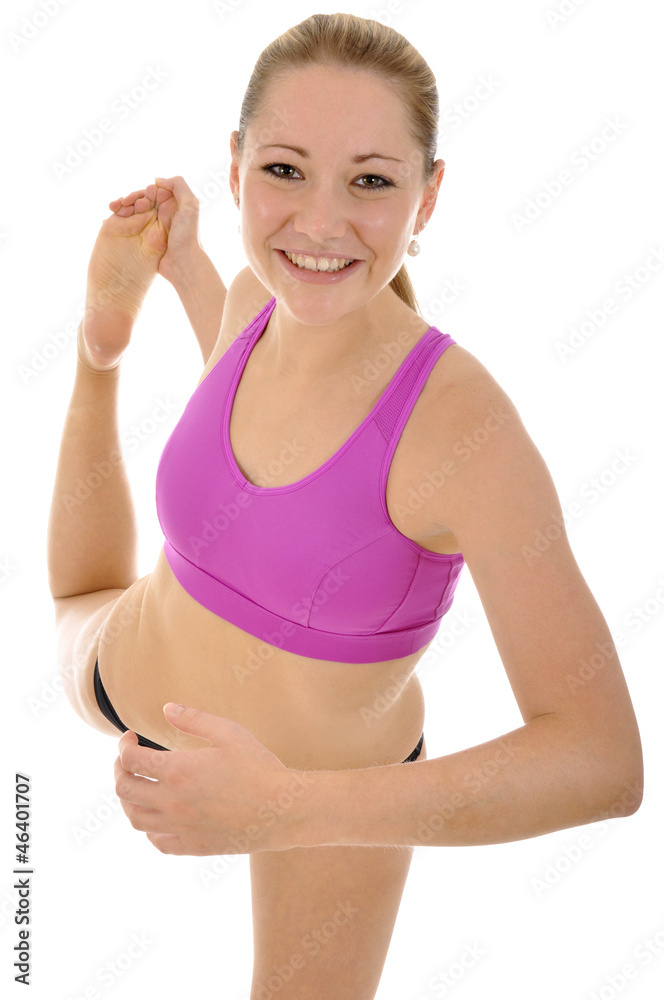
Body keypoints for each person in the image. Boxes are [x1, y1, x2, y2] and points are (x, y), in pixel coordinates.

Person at [47, 12, 643, 999]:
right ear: (234, 169)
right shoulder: (253, 302)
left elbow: (603, 763)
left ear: (428, 196)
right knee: (73, 601)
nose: (321, 224)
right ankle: (96, 354)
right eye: (284, 171)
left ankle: (100, 353)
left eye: (370, 181)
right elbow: (265, 439)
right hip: (123, 681)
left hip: (327, 792)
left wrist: (283, 809)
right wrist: (188, 265)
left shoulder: (463, 428)